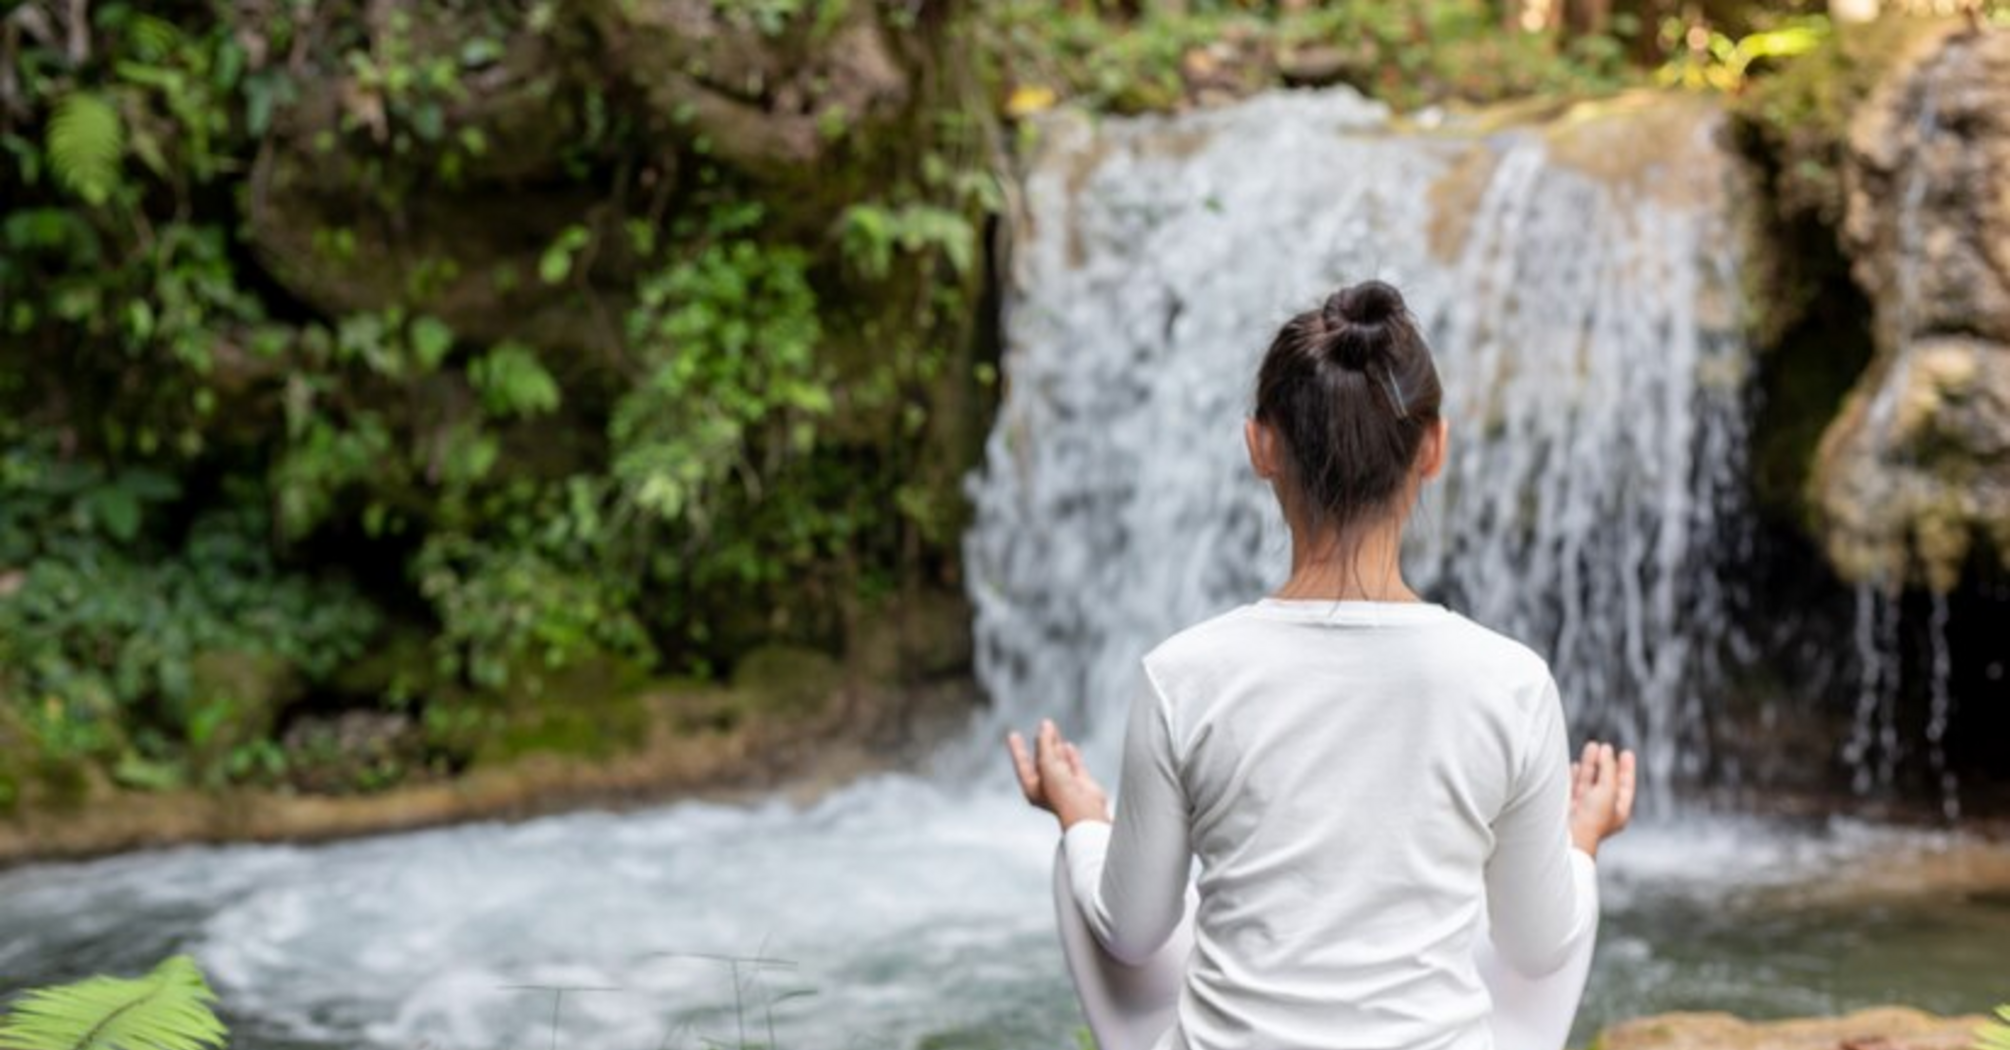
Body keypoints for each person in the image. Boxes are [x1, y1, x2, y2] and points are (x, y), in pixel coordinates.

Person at [1004, 280, 1637, 1050]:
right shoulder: (1512, 682)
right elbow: (1537, 949)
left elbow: (1132, 936)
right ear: (1433, 447)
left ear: (1261, 445)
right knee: (1548, 905)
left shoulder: (1181, 675)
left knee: (1095, 871)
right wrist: (1582, 839)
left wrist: (1081, 819)